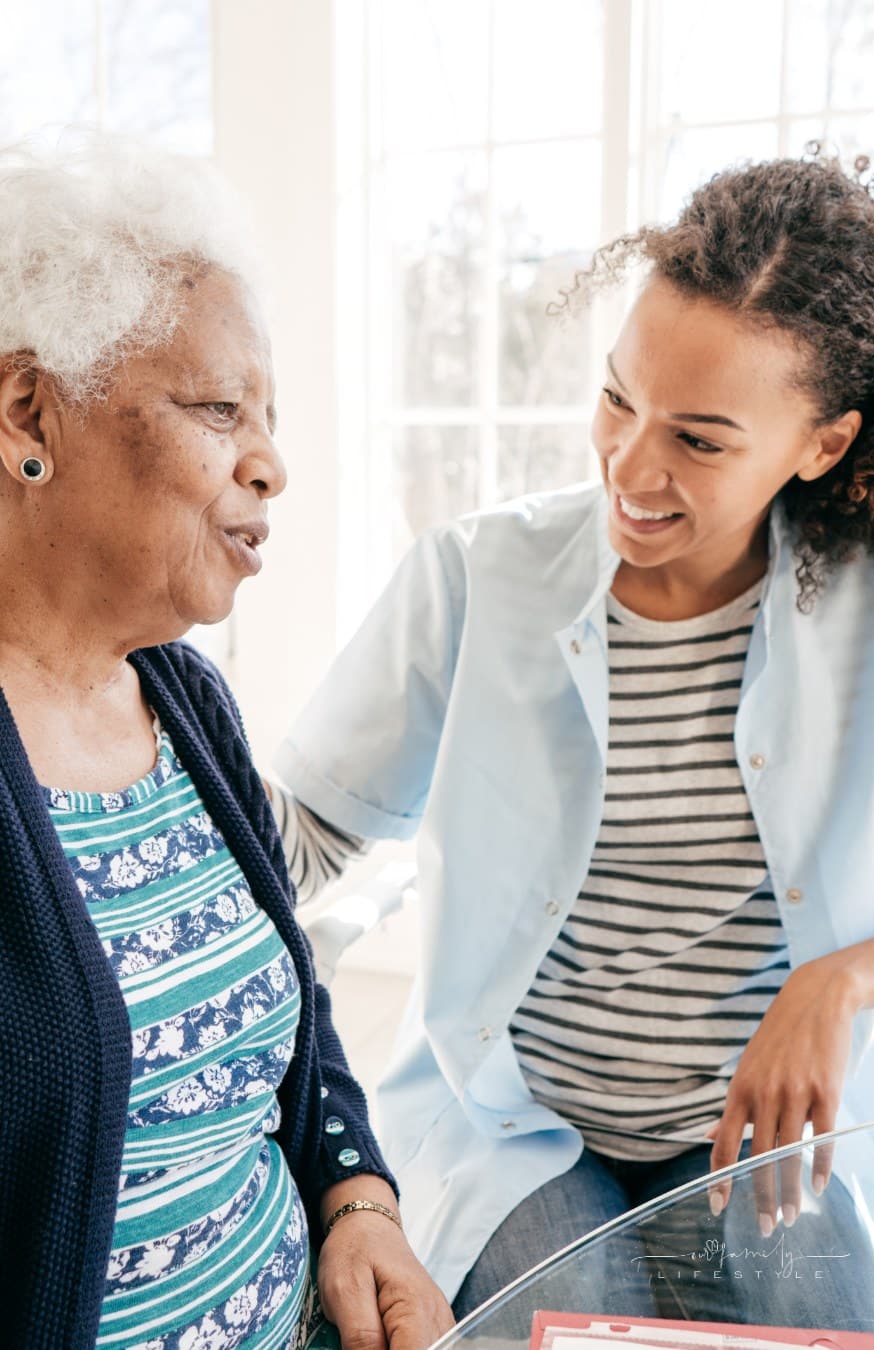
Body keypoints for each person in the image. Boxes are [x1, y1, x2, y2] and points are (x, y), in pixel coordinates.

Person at [271, 150, 874, 1330]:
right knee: (565, 1303)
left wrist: (842, 979)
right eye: (618, 398)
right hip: (520, 1126)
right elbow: (302, 833)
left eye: (701, 442)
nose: (629, 465)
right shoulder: (476, 576)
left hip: (761, 1137)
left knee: (834, 1316)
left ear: (821, 446)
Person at [0, 133, 452, 1350]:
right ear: (27, 411)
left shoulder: (183, 699)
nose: (272, 462)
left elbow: (289, 997)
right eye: (218, 410)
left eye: (270, 416)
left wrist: (359, 1200)